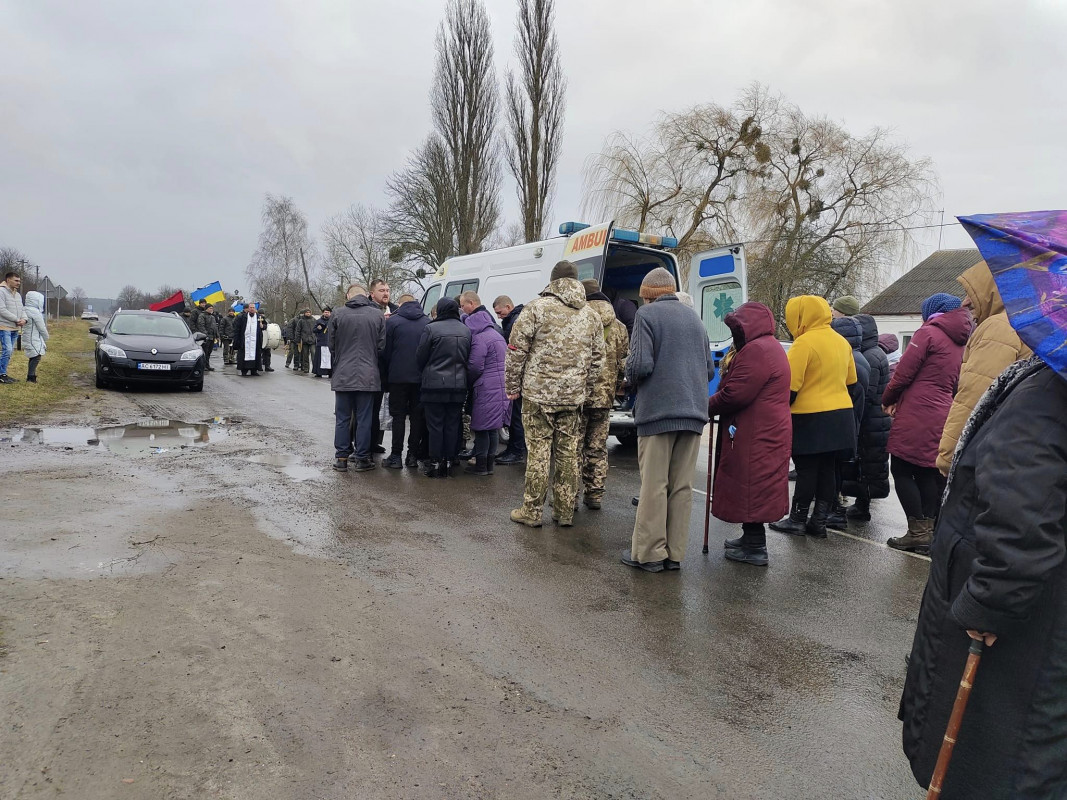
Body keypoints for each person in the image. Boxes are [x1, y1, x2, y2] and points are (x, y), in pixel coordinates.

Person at [898, 355, 1067, 799]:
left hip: (1023, 621)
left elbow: (1021, 515)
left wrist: (989, 600)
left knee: (994, 757)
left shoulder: (1047, 390)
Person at [624, 267, 713, 571]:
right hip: (694, 412)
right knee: (682, 487)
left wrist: (626, 373)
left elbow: (639, 365)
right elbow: (709, 370)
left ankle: (649, 554)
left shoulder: (646, 316)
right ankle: (674, 555)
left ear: (647, 295)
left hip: (658, 412)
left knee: (654, 485)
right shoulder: (695, 319)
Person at [505, 261, 604, 527]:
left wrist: (512, 387)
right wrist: (585, 388)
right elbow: (598, 359)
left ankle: (532, 511)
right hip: (573, 398)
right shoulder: (591, 315)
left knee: (538, 452)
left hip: (538, 395)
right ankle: (564, 512)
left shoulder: (535, 309)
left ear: (552, 281)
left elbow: (516, 351)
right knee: (568, 454)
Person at [882, 293, 970, 553]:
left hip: (918, 410)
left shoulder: (928, 333)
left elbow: (903, 373)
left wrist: (889, 398)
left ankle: (918, 532)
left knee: (900, 466)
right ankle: (929, 529)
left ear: (932, 311)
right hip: (943, 409)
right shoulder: (963, 339)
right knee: (927, 470)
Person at [708, 302, 792, 567]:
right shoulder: (768, 346)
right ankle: (749, 538)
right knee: (753, 482)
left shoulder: (757, 350)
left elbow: (736, 393)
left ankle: (755, 547)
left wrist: (704, 406)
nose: (735, 334)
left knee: (752, 483)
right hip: (762, 428)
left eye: (737, 328)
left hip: (757, 432)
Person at [770, 296, 857, 539]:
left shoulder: (804, 343)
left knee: (807, 469)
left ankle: (797, 519)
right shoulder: (842, 342)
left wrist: (778, 415)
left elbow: (790, 388)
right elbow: (852, 382)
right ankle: (818, 521)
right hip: (841, 415)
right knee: (828, 469)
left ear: (800, 316)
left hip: (810, 416)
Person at [936, 261, 1031, 476]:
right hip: (1019, 452)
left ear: (994, 291)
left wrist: (948, 457)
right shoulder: (1034, 325)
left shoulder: (999, 327)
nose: (966, 302)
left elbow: (974, 399)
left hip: (985, 455)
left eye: (974, 293)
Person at [579, 279, 629, 509]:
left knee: (573, 447)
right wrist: (613, 386)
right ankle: (595, 495)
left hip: (579, 395)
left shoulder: (579, 319)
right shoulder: (619, 326)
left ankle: (570, 497)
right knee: (597, 447)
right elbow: (623, 364)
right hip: (605, 397)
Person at [328, 285, 386, 472]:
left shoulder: (337, 314)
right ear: (366, 295)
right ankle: (362, 458)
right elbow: (381, 346)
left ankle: (342, 458)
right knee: (364, 417)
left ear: (348, 296)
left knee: (343, 417)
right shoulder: (377, 315)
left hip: (343, 373)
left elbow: (332, 345)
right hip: (368, 374)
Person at [843, 314, 893, 521]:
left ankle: (862, 506)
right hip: (877, 420)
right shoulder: (876, 352)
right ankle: (861, 504)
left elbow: (867, 392)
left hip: (870, 420)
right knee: (870, 464)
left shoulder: (870, 356)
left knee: (866, 464)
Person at [416, 297, 471, 477]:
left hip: (434, 385)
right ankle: (448, 461)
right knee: (452, 424)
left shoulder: (431, 328)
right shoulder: (466, 330)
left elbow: (421, 356)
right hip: (458, 385)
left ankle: (435, 462)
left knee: (435, 425)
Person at [827, 316, 870, 528]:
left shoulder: (849, 360)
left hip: (843, 424)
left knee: (834, 470)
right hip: (851, 424)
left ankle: (833, 511)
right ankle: (832, 509)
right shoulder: (858, 357)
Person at [463, 293, 510, 476]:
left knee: (482, 428)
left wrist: (468, 382)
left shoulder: (480, 338)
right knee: (492, 428)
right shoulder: (496, 334)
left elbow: (474, 366)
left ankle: (481, 466)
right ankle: (489, 465)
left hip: (486, 388)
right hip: (501, 387)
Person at [382, 294, 429, 469]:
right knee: (417, 417)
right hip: (420, 378)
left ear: (400, 304)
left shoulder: (392, 322)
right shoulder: (427, 322)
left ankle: (396, 455)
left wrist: (386, 375)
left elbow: (385, 352)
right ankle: (412, 455)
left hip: (397, 377)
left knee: (398, 417)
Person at [493, 295, 527, 465]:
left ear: (508, 306)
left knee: (516, 415)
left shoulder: (515, 322)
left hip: (519, 377)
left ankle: (516, 450)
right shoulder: (515, 319)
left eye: (500, 313)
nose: (499, 317)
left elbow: (515, 353)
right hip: (521, 376)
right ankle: (515, 448)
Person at [0, 271, 26, 384]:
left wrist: (24, 319)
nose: (18, 283)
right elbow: (2, 310)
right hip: (4, 326)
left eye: (19, 281)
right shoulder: (1, 292)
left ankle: (3, 373)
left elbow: (22, 309)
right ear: (8, 280)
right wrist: (16, 319)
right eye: (16, 280)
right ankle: (2, 375)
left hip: (15, 328)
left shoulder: (18, 294)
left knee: (9, 352)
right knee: (7, 350)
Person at [21, 291, 49, 383]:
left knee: (33, 356)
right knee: (36, 356)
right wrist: (46, 337)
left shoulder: (24, 309)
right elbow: (41, 327)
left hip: (29, 336)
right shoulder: (35, 312)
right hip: (33, 337)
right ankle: (31, 377)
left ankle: (31, 375)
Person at [232, 303, 264, 376]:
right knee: (244, 355)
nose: (252, 309)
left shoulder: (259, 317)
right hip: (245, 340)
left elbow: (265, 326)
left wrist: (263, 326)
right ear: (248, 308)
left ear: (255, 309)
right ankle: (244, 370)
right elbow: (237, 328)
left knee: (255, 354)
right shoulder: (242, 317)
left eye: (253, 307)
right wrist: (237, 339)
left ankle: (254, 370)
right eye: (251, 307)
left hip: (255, 340)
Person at [196, 303, 219, 370]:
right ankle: (203, 366)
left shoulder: (212, 317)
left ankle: (207, 365)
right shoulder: (202, 315)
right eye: (210, 308)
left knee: (209, 352)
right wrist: (206, 335)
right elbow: (201, 326)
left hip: (212, 337)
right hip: (206, 337)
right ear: (206, 309)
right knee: (205, 352)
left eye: (212, 308)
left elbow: (215, 327)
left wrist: (217, 335)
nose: (211, 309)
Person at [294, 308, 316, 373]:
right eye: (307, 312)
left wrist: (315, 338)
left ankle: (314, 368)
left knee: (313, 354)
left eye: (309, 312)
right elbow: (298, 331)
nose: (308, 313)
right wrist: (297, 340)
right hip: (304, 340)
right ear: (304, 313)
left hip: (312, 340)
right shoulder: (301, 321)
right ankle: (306, 368)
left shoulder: (314, 320)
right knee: (305, 355)